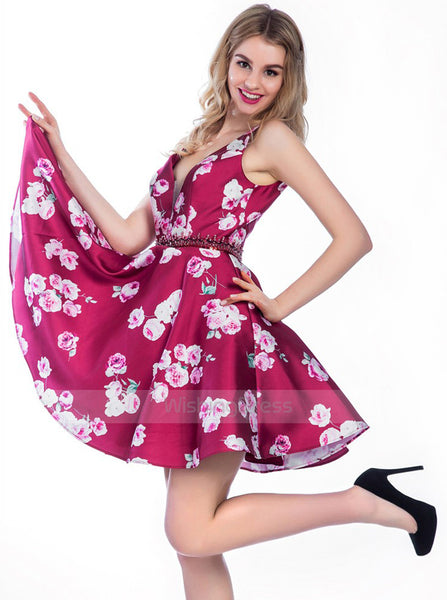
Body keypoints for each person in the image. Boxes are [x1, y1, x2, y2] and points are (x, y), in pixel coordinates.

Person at [12, 4, 436, 598]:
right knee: (194, 546)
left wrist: (278, 305)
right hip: (174, 341)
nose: (253, 81)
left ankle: (365, 501)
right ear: (225, 62)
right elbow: (130, 237)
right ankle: (366, 500)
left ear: (288, 79)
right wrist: (60, 153)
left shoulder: (273, 139)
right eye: (244, 64)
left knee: (190, 528)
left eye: (271, 71)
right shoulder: (198, 141)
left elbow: (352, 237)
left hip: (215, 336)